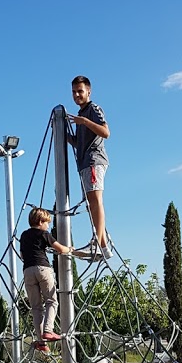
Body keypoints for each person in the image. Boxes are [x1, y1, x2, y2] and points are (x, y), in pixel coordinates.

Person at [67, 75, 112, 260]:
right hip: (84, 162)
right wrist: (64, 135)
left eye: (80, 91)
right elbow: (80, 142)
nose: (77, 95)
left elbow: (105, 132)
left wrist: (84, 122)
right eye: (74, 92)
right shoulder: (81, 115)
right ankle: (102, 243)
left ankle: (99, 242)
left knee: (95, 200)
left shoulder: (93, 109)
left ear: (88, 92)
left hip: (94, 160)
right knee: (90, 202)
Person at [19, 207, 73, 353]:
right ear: (41, 221)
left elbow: (23, 255)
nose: (48, 225)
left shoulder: (24, 235)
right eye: (47, 222)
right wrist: (70, 249)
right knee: (51, 301)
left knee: (36, 307)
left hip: (28, 271)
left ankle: (41, 342)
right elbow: (60, 249)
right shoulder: (44, 234)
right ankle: (48, 330)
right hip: (43, 269)